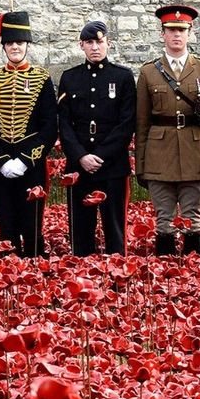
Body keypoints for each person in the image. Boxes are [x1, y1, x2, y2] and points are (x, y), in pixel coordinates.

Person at [135, 5, 200, 255]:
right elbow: (142, 122)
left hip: (194, 149)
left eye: (182, 30)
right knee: (164, 219)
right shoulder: (149, 72)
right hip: (159, 153)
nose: (177, 35)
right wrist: (141, 164)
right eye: (171, 30)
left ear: (190, 33)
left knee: (193, 216)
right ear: (163, 34)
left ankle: (195, 268)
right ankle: (165, 270)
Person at [0, 11, 57, 257]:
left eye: (19, 42)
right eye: (10, 43)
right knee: (6, 225)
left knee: (32, 227)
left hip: (31, 165)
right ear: (3, 46)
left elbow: (49, 126)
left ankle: (33, 271)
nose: (15, 47)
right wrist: (0, 161)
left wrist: (24, 160)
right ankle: (8, 271)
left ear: (27, 45)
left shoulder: (42, 79)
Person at [58, 21, 136, 256]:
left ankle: (116, 275)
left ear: (108, 44)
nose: (95, 47)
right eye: (89, 42)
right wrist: (81, 156)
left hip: (112, 166)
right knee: (80, 233)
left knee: (115, 233)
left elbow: (126, 124)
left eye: (99, 42)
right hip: (79, 168)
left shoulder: (122, 77)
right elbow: (64, 124)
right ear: (81, 45)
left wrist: (100, 155)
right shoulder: (70, 78)